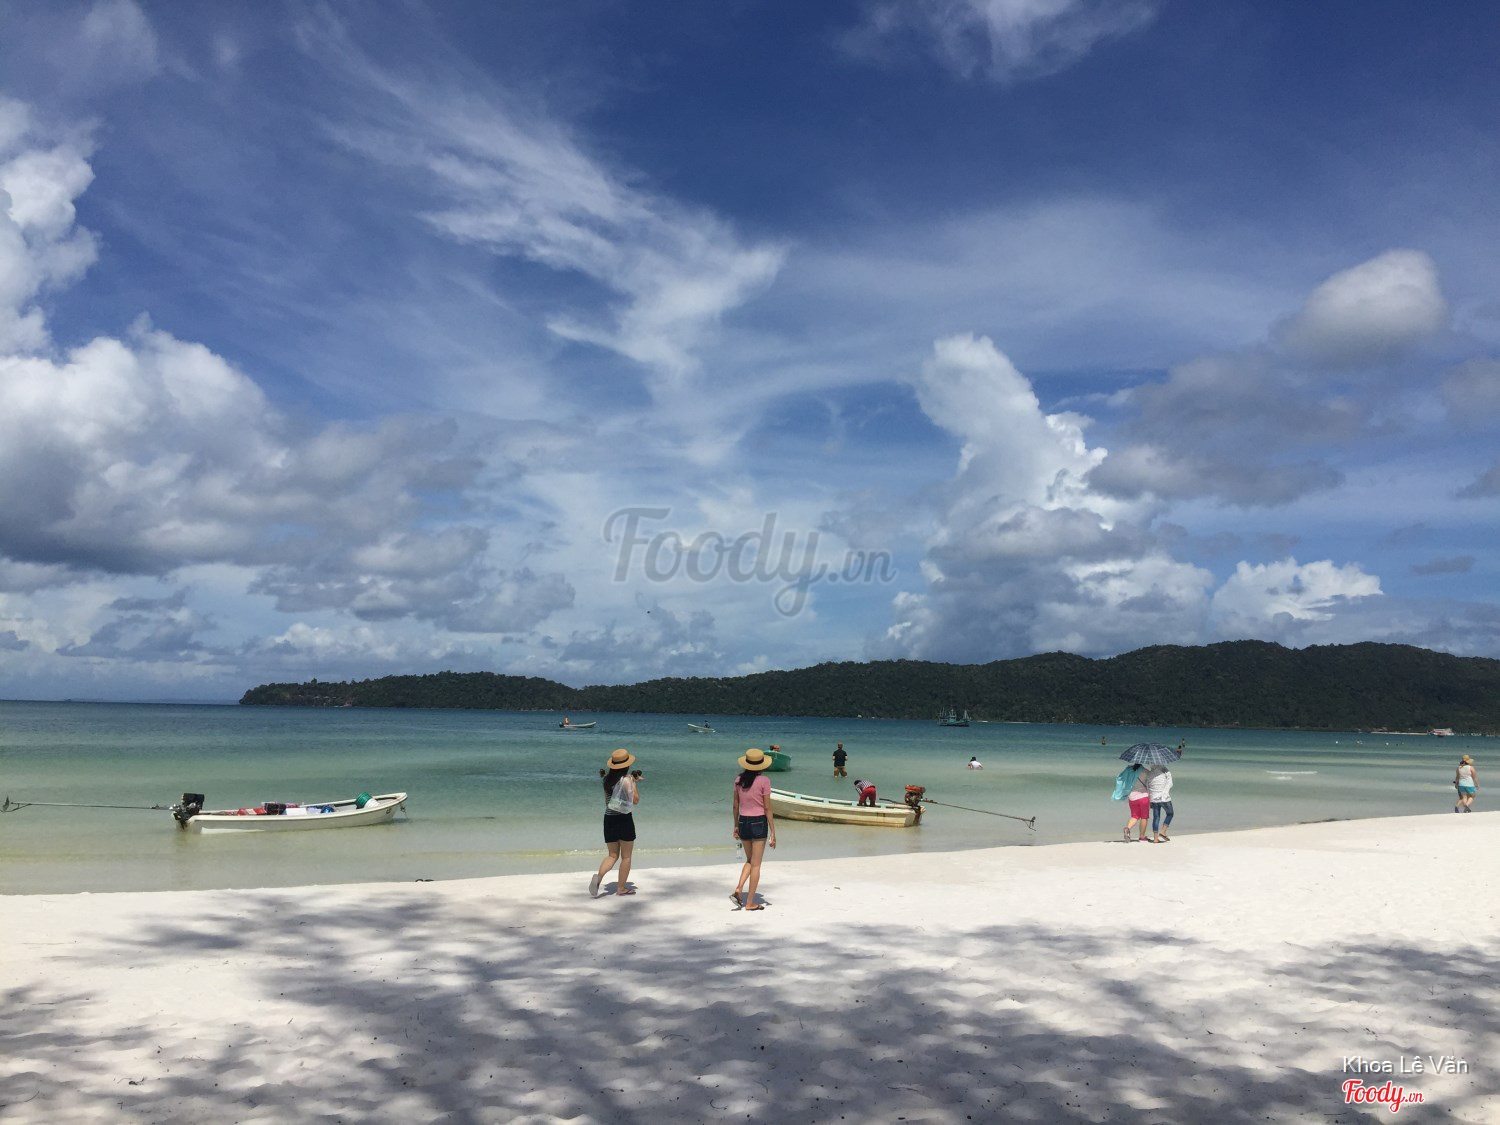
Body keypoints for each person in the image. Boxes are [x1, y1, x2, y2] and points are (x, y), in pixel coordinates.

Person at [731, 748, 777, 910]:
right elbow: (768, 808)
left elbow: (735, 805)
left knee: (750, 860)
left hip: (743, 821)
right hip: (758, 822)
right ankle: (750, 902)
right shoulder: (764, 781)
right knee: (756, 864)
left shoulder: (738, 780)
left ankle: (739, 888)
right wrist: (773, 832)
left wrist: (736, 825)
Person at [590, 748, 640, 897]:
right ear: (626, 765)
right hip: (624, 819)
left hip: (609, 818)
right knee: (626, 857)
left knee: (612, 855)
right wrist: (634, 783)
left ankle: (599, 877)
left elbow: (609, 800)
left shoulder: (606, 780)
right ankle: (621, 888)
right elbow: (635, 800)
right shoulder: (627, 780)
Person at [1124, 764, 1156, 842]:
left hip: (1132, 796)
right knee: (1144, 817)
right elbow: (1151, 784)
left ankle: (1127, 828)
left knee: (1134, 816)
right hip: (1143, 797)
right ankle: (1142, 836)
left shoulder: (1129, 770)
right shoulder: (1145, 771)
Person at [1148, 767, 1174, 842]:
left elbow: (1149, 786)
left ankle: (1155, 838)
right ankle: (1163, 831)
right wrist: (1168, 772)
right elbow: (1170, 783)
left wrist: (1150, 800)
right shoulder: (1164, 772)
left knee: (1156, 817)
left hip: (1154, 798)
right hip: (1163, 797)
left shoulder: (1149, 774)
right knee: (1170, 813)